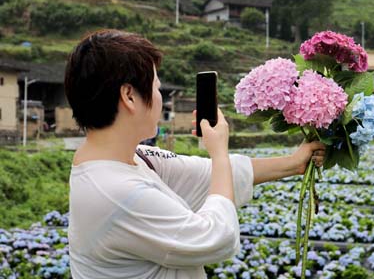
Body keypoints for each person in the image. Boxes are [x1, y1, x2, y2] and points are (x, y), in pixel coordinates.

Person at [64, 29, 325, 279]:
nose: (160, 98)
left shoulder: (135, 157)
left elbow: (208, 175)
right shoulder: (117, 193)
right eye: (156, 88)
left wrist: (294, 162)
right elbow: (216, 238)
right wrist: (219, 151)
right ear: (129, 96)